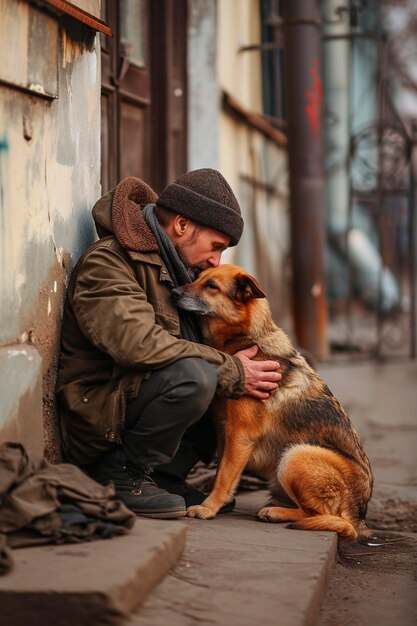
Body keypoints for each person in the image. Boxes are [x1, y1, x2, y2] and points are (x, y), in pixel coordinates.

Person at [56, 169, 281, 519]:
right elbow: (139, 345)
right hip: (100, 415)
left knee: (251, 371)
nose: (216, 261)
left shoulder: (180, 268)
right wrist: (233, 370)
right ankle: (120, 473)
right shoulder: (108, 263)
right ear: (181, 226)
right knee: (200, 376)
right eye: (216, 246)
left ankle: (164, 475)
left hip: (136, 396)